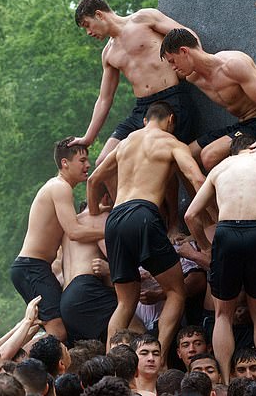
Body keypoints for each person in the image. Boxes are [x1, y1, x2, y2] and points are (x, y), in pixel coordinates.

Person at [87, 101, 206, 362]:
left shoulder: (126, 142)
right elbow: (197, 180)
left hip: (116, 219)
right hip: (143, 215)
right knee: (176, 291)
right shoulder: (172, 143)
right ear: (171, 120)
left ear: (144, 121)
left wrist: (95, 213)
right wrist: (213, 217)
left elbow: (93, 180)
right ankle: (159, 358)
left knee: (125, 302)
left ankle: (112, 365)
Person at [184, 133, 256, 382]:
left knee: (222, 315)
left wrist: (206, 247)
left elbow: (190, 215)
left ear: (234, 152)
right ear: (255, 147)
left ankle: (225, 381)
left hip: (225, 233)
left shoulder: (221, 167)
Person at [72, 0, 197, 162]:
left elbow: (188, 36)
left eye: (88, 25)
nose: (88, 32)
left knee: (167, 165)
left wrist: (193, 68)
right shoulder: (108, 54)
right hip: (142, 109)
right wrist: (88, 138)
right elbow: (104, 98)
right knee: (103, 161)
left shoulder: (143, 19)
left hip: (171, 100)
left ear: (100, 15)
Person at [10, 137, 104, 342]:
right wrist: (112, 231)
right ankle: (17, 368)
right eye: (82, 160)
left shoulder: (60, 188)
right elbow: (75, 232)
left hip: (35, 268)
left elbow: (73, 225)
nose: (88, 165)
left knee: (60, 329)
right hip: (31, 267)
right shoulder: (60, 187)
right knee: (57, 333)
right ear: (65, 163)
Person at [160, 28, 256, 171]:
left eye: (173, 61)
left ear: (184, 51)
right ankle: (202, 193)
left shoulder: (233, 64)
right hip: (244, 126)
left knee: (209, 156)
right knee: (182, 156)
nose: (173, 68)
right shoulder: (193, 77)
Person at [59, 205, 116, 343]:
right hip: (85, 291)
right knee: (134, 327)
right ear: (105, 198)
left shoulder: (67, 230)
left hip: (66, 299)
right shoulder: (100, 218)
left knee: (91, 352)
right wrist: (110, 269)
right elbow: (120, 263)